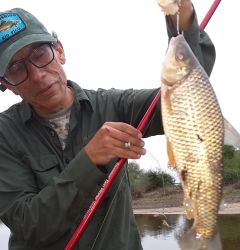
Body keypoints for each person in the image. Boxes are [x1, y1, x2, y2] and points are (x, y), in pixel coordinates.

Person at [0, 1, 215, 249]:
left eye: (39, 54)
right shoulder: (5, 134)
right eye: (16, 69)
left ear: (59, 50)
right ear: (7, 84)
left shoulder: (114, 105)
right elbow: (29, 225)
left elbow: (188, 97)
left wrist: (183, 21)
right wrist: (89, 161)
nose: (37, 75)